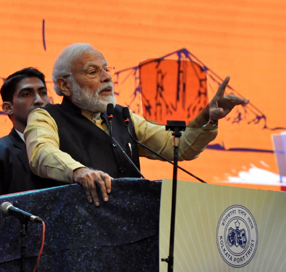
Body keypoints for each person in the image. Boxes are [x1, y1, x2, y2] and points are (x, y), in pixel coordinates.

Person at [24, 43, 249, 207]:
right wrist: (79, 172)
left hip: (133, 229)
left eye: (106, 70)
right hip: (80, 237)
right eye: (93, 72)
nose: (107, 78)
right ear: (64, 86)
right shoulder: (46, 117)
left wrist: (206, 118)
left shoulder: (123, 117)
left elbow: (178, 147)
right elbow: (42, 152)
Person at [0, 67, 60, 201]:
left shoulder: (68, 146)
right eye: (27, 94)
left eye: (42, 93)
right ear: (8, 108)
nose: (39, 100)